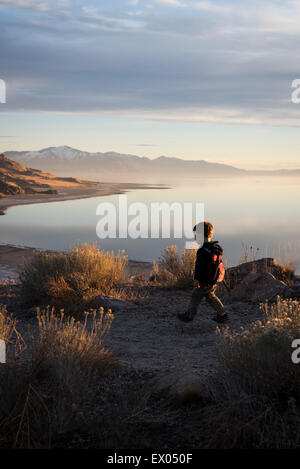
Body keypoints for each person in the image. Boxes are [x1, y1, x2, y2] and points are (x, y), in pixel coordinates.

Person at [177, 221, 228, 324]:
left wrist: (197, 279)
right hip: (213, 279)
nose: (195, 237)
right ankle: (222, 314)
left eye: (196, 235)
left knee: (195, 297)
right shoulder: (215, 247)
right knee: (210, 296)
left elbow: (199, 267)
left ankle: (189, 315)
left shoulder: (202, 251)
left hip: (204, 280)